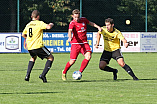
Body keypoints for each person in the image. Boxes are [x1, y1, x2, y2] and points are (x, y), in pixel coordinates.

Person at [62, 9, 102, 81]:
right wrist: (70, 37)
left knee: (88, 56)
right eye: (75, 17)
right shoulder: (72, 23)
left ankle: (79, 72)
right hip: (75, 44)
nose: (77, 19)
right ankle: (64, 72)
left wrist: (98, 27)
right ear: (72, 16)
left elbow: (91, 23)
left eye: (78, 17)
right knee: (72, 61)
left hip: (84, 43)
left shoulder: (83, 20)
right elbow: (70, 31)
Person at [22, 10, 54, 83]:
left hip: (30, 46)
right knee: (51, 58)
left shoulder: (28, 24)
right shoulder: (39, 23)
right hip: (38, 46)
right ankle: (43, 75)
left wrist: (29, 39)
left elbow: (23, 35)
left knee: (33, 57)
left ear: (31, 17)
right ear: (38, 16)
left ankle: (27, 75)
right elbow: (48, 27)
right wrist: (51, 24)